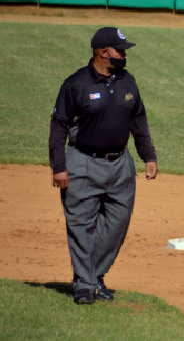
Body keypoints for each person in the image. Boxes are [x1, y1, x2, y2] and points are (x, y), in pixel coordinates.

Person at [48, 27, 158, 304]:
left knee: (116, 225)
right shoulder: (76, 84)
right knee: (81, 225)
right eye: (120, 50)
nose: (124, 54)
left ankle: (93, 275)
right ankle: (85, 285)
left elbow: (139, 120)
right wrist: (59, 167)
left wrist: (149, 156)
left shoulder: (127, 81)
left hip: (120, 164)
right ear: (102, 52)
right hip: (83, 162)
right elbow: (59, 126)